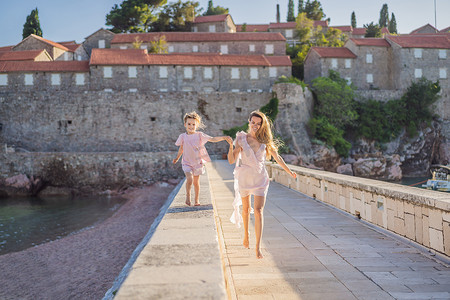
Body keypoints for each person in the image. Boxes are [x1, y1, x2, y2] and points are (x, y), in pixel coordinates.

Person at [227, 111, 297, 259]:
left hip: (260, 180)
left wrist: (290, 172)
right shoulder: (241, 138)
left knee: (258, 211)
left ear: (262, 125)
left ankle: (258, 247)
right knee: (245, 210)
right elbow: (232, 161)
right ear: (249, 122)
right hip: (245, 179)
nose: (255, 126)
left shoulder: (265, 141)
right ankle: (246, 234)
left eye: (258, 124)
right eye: (253, 122)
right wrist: (230, 146)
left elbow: (277, 158)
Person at [173, 111, 232, 206]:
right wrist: (177, 158)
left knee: (196, 183)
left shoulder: (199, 135)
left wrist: (224, 137)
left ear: (197, 125)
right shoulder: (182, 136)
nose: (191, 126)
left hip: (197, 163)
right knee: (189, 179)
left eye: (193, 124)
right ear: (185, 124)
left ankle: (196, 200)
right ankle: (188, 195)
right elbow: (181, 149)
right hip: (186, 163)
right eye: (189, 124)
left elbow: (212, 139)